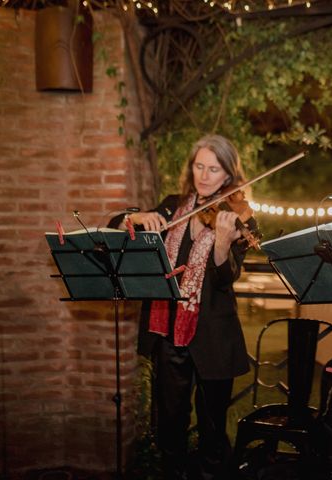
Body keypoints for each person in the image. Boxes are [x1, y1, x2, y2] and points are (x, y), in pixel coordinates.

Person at [109, 134, 256, 480]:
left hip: (213, 338)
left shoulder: (238, 216)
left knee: (212, 431)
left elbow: (224, 281)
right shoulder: (171, 206)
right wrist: (139, 217)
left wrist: (222, 243)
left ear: (228, 176)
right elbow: (115, 224)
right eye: (199, 166)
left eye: (214, 169)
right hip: (168, 335)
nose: (204, 176)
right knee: (170, 427)